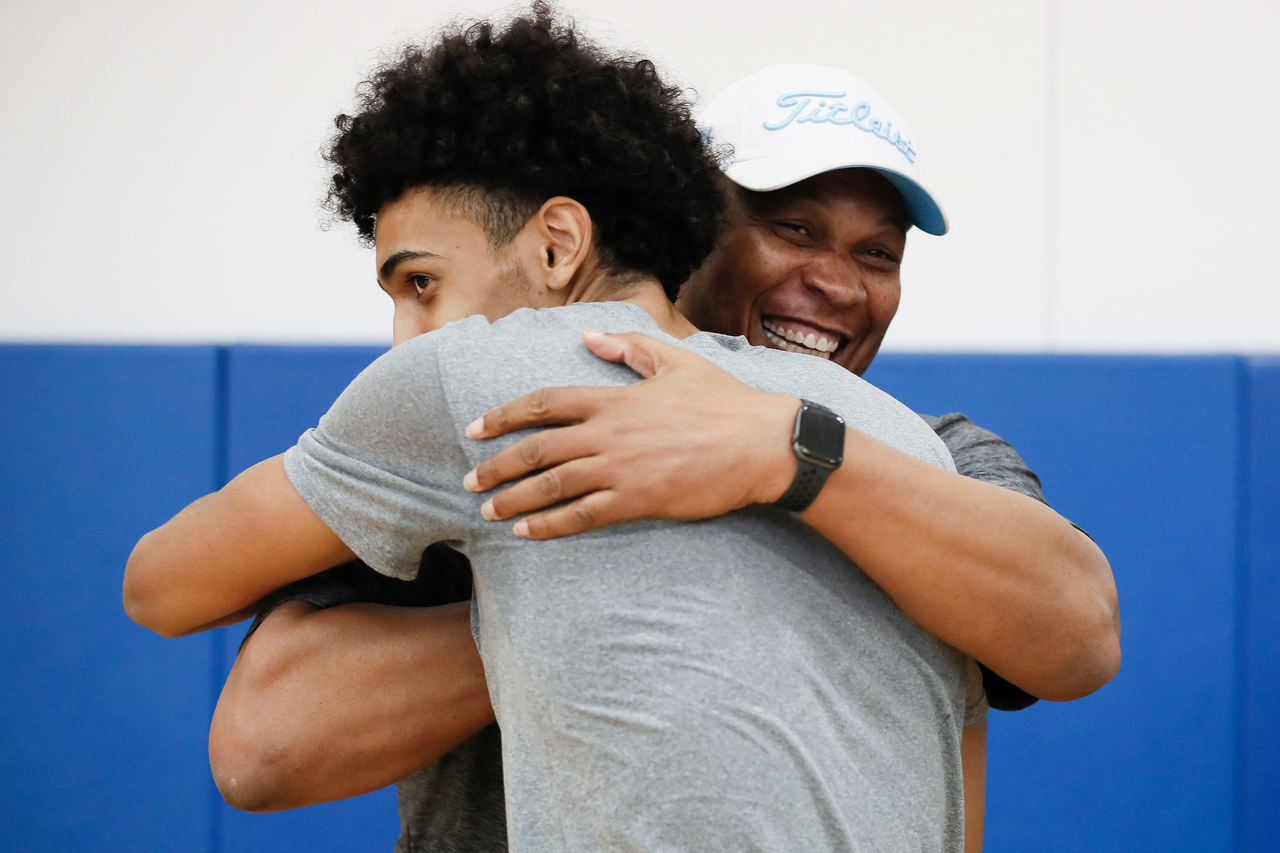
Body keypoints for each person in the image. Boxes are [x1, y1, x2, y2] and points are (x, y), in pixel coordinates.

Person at [203, 35, 1118, 853]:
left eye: (877, 254)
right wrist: (595, 594)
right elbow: (264, 748)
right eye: (792, 227)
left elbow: (1077, 632)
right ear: (687, 225)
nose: (838, 282)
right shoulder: (499, 434)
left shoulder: (930, 452)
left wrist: (788, 452)